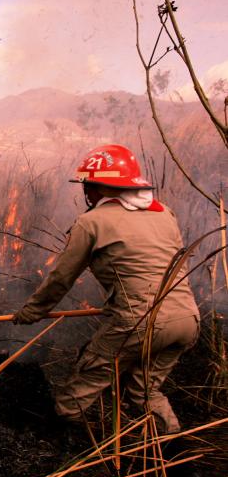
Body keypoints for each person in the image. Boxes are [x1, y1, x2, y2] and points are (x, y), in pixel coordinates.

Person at [13, 144, 199, 436]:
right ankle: (181, 464)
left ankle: (62, 447)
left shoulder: (92, 222)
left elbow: (62, 277)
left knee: (82, 383)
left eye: (88, 185)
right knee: (145, 393)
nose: (86, 192)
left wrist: (33, 311)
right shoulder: (165, 212)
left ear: (98, 188)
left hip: (139, 324)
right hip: (186, 320)